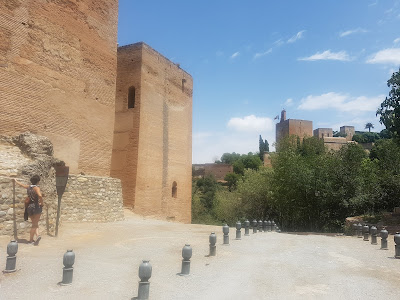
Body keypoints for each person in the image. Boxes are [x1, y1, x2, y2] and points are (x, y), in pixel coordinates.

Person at [14, 175, 44, 244]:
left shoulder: (28, 187)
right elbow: (40, 195)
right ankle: (31, 240)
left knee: (34, 223)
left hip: (29, 207)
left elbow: (21, 185)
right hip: (36, 206)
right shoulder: (36, 188)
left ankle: (37, 235)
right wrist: (42, 203)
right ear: (38, 181)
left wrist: (16, 181)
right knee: (34, 224)